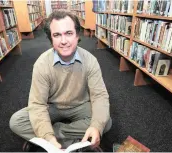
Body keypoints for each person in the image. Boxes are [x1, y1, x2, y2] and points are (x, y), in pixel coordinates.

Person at [9, 10, 112, 152]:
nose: (63, 41)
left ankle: (56, 133)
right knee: (16, 122)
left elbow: (99, 96)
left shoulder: (90, 61)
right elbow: (37, 104)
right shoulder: (41, 64)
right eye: (57, 35)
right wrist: (47, 135)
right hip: (52, 106)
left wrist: (96, 126)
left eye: (69, 33)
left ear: (77, 35)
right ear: (51, 39)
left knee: (105, 123)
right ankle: (71, 139)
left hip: (80, 105)